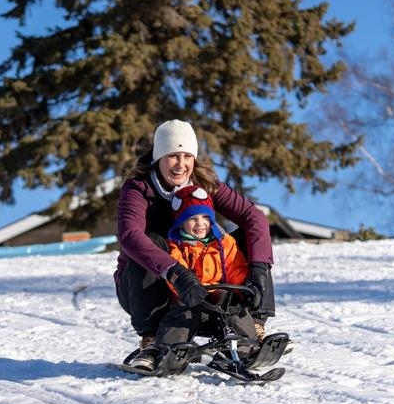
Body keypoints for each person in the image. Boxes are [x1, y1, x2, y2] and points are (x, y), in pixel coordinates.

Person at [114, 119, 276, 368]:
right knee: (150, 242)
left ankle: (253, 325)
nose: (181, 165)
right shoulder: (139, 189)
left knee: (250, 239)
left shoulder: (203, 184)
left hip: (204, 287)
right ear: (158, 158)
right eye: (173, 156)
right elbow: (129, 235)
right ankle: (152, 340)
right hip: (147, 289)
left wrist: (259, 269)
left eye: (187, 156)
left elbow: (253, 217)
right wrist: (176, 273)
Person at [129, 185, 260, 370]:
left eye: (206, 217)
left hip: (217, 300)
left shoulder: (225, 243)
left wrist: (245, 288)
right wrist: (187, 288)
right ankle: (167, 349)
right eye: (192, 218)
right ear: (181, 223)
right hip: (190, 298)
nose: (200, 224)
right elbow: (176, 272)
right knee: (184, 313)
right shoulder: (176, 246)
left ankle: (247, 347)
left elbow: (235, 269)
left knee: (235, 304)